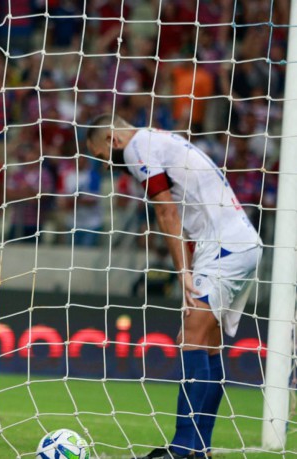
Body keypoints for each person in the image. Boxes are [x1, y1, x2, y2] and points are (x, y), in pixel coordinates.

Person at [85, 114, 262, 459]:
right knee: (207, 346)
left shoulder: (137, 148)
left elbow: (166, 212)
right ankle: (200, 449)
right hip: (238, 242)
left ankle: (182, 449)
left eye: (102, 157)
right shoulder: (157, 139)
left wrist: (183, 271)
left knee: (192, 337)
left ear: (111, 140)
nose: (107, 165)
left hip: (224, 246)